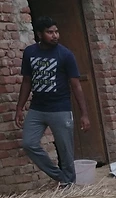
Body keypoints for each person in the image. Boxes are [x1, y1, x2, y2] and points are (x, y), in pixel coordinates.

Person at [14, 16, 90, 188]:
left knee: (66, 151)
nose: (55, 35)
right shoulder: (30, 53)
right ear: (40, 34)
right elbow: (27, 81)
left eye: (56, 32)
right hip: (37, 108)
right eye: (50, 32)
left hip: (60, 109)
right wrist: (19, 108)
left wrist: (84, 114)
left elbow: (76, 85)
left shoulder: (65, 55)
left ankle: (69, 184)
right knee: (28, 143)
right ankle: (60, 176)